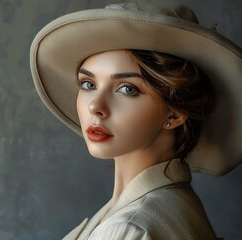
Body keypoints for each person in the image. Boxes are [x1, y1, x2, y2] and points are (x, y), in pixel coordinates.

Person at [29, 0, 242, 239]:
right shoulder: (172, 204)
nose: (95, 106)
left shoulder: (129, 228)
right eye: (88, 84)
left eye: (127, 89)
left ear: (175, 112)